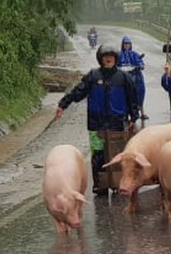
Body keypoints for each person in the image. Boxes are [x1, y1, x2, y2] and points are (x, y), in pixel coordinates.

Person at [55, 43, 140, 193]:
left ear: (115, 59)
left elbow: (132, 98)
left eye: (111, 57)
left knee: (116, 154)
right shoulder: (93, 76)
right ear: (100, 59)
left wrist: (134, 116)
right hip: (96, 123)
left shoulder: (123, 77)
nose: (108, 60)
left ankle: (116, 182)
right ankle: (99, 184)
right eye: (105, 57)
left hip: (117, 122)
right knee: (98, 154)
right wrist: (63, 104)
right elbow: (78, 92)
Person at [119, 35, 148, 122]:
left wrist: (140, 66)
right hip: (125, 79)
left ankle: (142, 113)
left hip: (136, 77)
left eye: (128, 44)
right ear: (122, 45)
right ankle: (125, 114)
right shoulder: (119, 55)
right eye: (125, 44)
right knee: (124, 96)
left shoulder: (135, 54)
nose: (127, 45)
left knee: (140, 94)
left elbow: (141, 63)